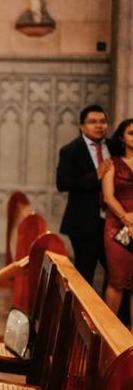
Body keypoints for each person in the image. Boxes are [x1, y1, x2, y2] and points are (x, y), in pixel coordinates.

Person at [56, 104, 111, 286]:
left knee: (116, 273)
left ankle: (112, 314)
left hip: (112, 222)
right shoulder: (71, 150)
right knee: (85, 274)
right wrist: (95, 175)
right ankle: (80, 314)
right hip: (83, 223)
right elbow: (62, 183)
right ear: (81, 126)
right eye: (93, 122)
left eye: (102, 121)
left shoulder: (114, 147)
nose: (99, 126)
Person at [102, 118, 133, 331]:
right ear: (122, 137)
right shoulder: (112, 163)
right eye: (132, 133)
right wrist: (126, 218)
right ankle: (106, 334)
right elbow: (108, 196)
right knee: (117, 280)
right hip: (117, 225)